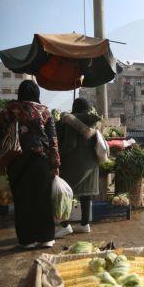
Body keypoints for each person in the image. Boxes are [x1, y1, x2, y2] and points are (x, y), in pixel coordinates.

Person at [0, 80, 60, 249]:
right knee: (43, 199)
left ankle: (27, 239)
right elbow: (53, 140)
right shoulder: (44, 111)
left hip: (14, 160)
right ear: (37, 93)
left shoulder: (8, 111)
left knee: (22, 199)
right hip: (40, 161)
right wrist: (55, 165)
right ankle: (46, 237)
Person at [55, 98, 101, 237]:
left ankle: (65, 225)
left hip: (74, 164)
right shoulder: (96, 121)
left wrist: (59, 155)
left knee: (65, 193)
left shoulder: (71, 120)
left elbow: (71, 144)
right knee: (86, 194)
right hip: (92, 164)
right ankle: (85, 224)